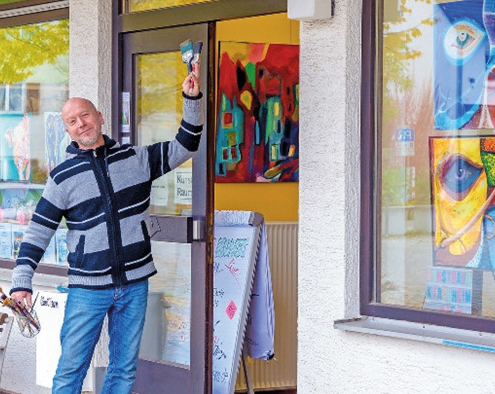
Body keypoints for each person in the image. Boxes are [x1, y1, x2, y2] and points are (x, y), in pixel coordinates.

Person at [9, 65, 203, 394]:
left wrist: (192, 98)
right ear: (68, 130)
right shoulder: (62, 178)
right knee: (71, 370)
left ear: (99, 117)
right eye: (72, 121)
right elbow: (38, 232)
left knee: (124, 370)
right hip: (87, 288)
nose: (81, 124)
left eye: (85, 116)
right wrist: (21, 282)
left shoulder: (136, 159)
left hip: (134, 285)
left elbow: (186, 145)